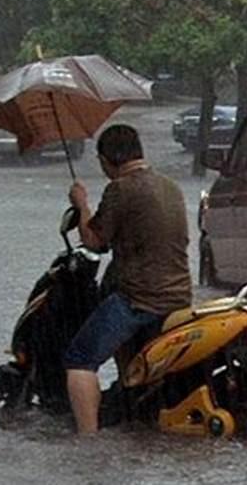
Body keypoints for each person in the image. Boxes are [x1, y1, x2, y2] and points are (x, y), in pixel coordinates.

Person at [65, 124, 192, 434]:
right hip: (179, 297)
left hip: (140, 299)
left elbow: (95, 240)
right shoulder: (170, 186)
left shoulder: (121, 188)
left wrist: (80, 203)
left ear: (107, 160)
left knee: (80, 359)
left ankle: (87, 441)